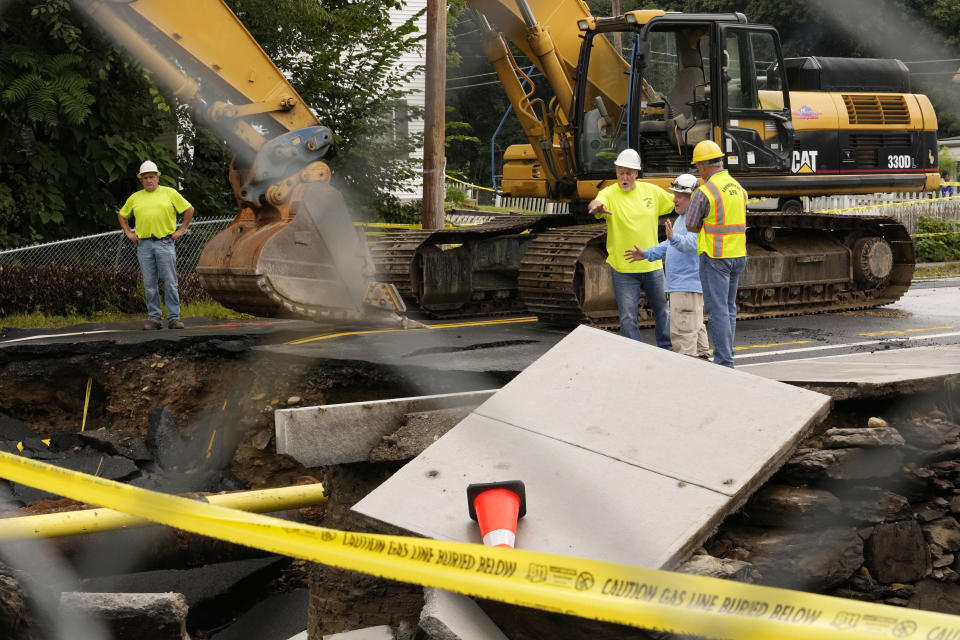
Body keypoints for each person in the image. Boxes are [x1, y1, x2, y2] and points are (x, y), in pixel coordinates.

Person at [588, 148, 675, 347]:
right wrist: (595, 207)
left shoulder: (651, 192)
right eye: (620, 173)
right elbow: (596, 202)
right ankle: (634, 352)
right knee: (627, 316)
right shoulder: (608, 193)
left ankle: (667, 348)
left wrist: (699, 195)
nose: (624, 177)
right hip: (624, 269)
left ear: (636, 173)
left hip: (652, 266)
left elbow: (677, 201)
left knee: (663, 310)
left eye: (628, 173)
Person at [624, 173, 710, 359]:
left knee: (683, 334)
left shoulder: (695, 219)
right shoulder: (683, 219)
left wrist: (674, 238)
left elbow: (692, 244)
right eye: (674, 194)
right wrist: (647, 254)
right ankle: (702, 365)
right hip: (685, 287)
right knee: (694, 329)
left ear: (692, 198)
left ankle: (686, 376)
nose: (674, 199)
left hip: (685, 287)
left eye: (679, 196)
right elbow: (671, 245)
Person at [684, 140, 747, 367]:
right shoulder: (738, 188)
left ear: (702, 166)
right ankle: (727, 356)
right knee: (729, 307)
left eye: (698, 167)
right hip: (738, 254)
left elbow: (691, 224)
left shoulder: (705, 191)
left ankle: (724, 361)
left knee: (718, 309)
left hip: (715, 255)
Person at [118, 160, 195, 330]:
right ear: (141, 180)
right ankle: (155, 319)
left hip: (165, 242)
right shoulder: (135, 197)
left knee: (170, 281)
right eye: (145, 178)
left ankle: (174, 318)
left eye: (151, 177)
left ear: (158, 177)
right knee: (149, 283)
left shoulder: (169, 193)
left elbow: (189, 209)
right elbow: (122, 215)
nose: (149, 180)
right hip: (144, 245)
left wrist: (181, 230)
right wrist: (129, 233)